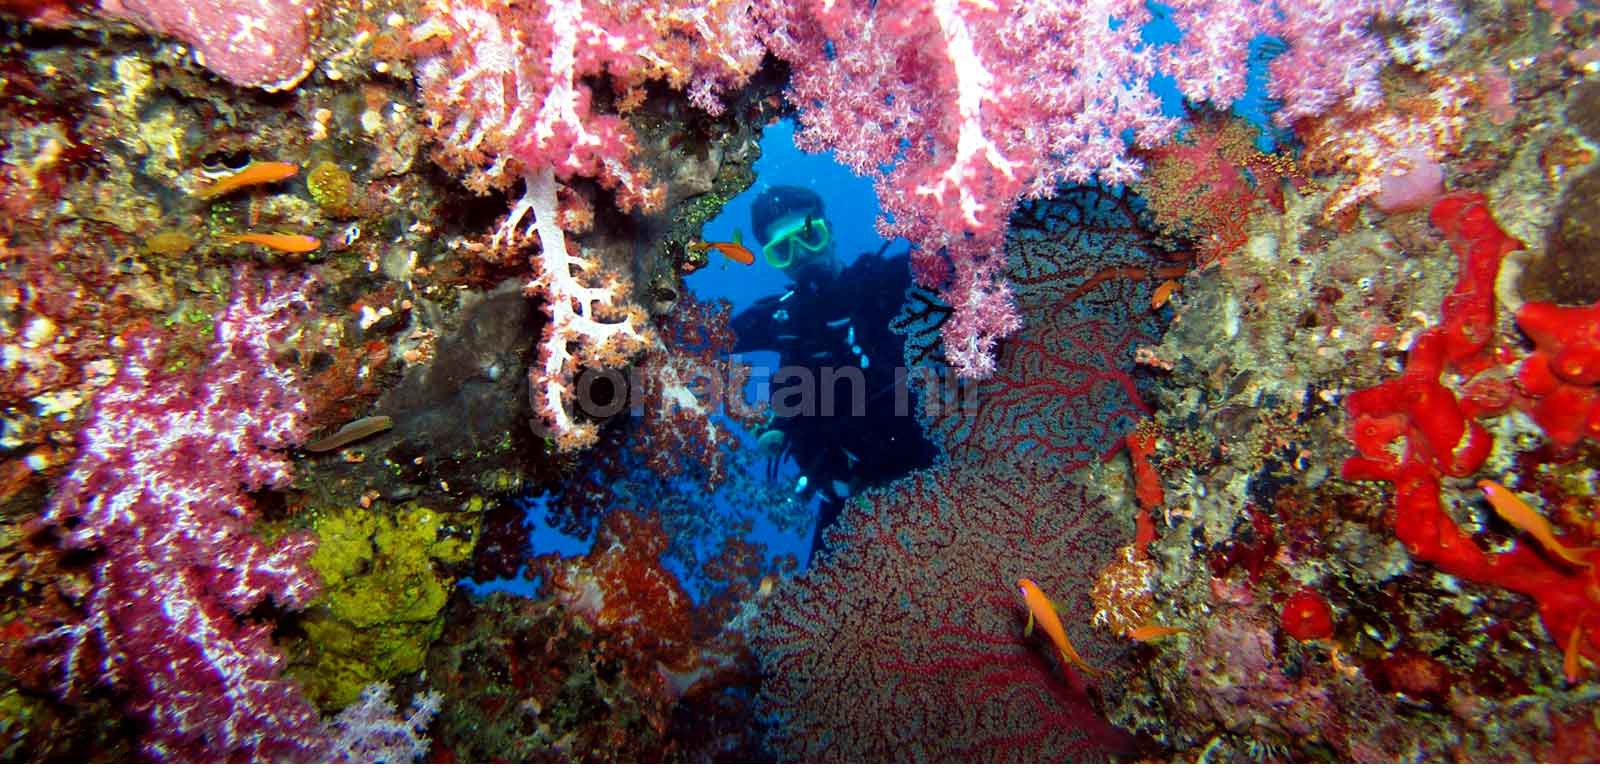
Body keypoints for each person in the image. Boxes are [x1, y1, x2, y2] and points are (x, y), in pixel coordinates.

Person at [731, 186, 938, 561]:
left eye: (809, 236)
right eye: (782, 250)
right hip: (848, 497)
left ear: (830, 231)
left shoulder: (886, 283)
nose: (802, 256)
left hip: (936, 469)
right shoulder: (782, 320)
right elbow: (699, 333)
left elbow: (963, 256)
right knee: (830, 611)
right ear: (772, 259)